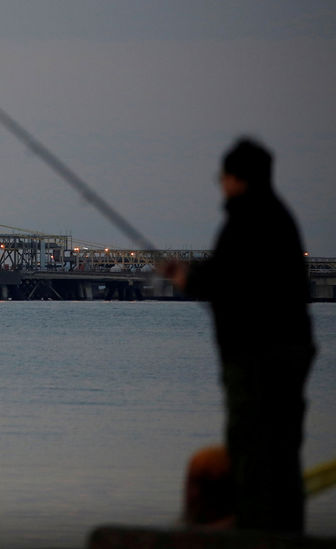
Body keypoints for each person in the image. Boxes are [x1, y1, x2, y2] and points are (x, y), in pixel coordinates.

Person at [162, 137, 315, 533]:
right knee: (282, 452)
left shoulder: (245, 219)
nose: (222, 186)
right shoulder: (282, 218)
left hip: (255, 358)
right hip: (292, 353)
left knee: (250, 449)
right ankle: (286, 530)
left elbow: (227, 278)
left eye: (223, 178)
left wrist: (187, 277)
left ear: (235, 178)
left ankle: (254, 530)